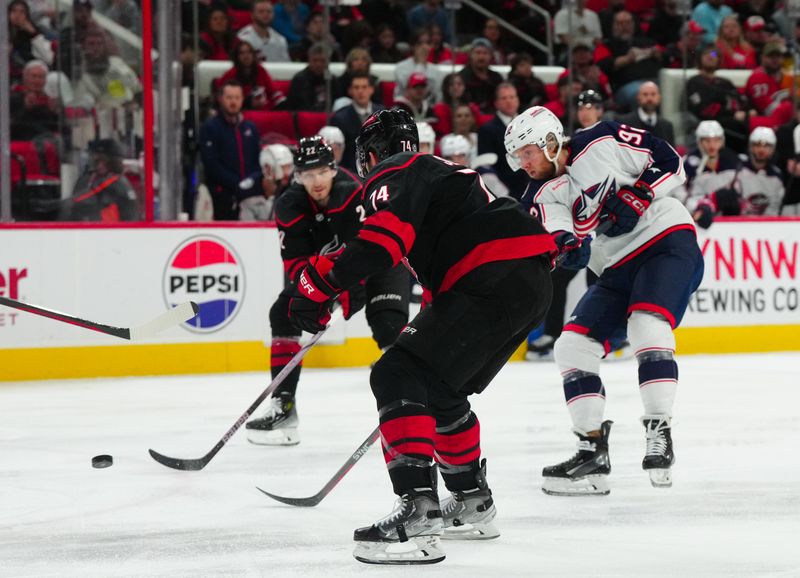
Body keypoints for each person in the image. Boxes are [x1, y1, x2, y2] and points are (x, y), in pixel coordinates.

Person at [286, 109, 555, 564]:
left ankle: (418, 515)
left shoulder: (397, 170)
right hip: (527, 281)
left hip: (490, 273)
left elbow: (379, 245)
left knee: (395, 372)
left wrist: (316, 285)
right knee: (439, 389)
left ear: (372, 154)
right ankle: (473, 501)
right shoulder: (440, 173)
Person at [505, 106, 704, 495]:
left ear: (549, 142)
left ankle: (659, 431)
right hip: (615, 265)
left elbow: (669, 160)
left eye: (527, 151)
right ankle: (591, 451)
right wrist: (567, 249)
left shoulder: (601, 139)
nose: (522, 162)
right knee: (572, 346)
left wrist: (641, 192)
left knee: (645, 322)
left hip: (666, 238)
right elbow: (561, 234)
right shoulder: (538, 196)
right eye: (517, 155)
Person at [245, 136, 410, 445]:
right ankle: (284, 406)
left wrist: (349, 288)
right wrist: (318, 294)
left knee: (388, 325)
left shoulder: (354, 194)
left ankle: (410, 407)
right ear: (297, 176)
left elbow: (366, 252)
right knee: (283, 313)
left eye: (322, 171)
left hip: (382, 261)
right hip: (334, 272)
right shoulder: (288, 205)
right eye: (308, 174)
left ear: (333, 169)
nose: (316, 180)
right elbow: (295, 264)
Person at [199, 80, 263, 220]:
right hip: (221, 196)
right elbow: (211, 164)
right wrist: (236, 183)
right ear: (221, 99)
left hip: (249, 195)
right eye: (229, 98)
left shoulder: (250, 128)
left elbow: (257, 160)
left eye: (237, 98)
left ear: (242, 99)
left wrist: (251, 181)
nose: (233, 102)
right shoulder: (210, 128)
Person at [679, 120, 743, 228]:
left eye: (716, 140)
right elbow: (680, 196)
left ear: (722, 141)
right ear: (699, 141)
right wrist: (700, 206)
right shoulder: (687, 164)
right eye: (707, 141)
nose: (712, 145)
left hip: (727, 222)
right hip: (696, 219)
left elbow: (739, 193)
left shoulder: (732, 161)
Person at [686, 46, 750, 153]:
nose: (710, 57)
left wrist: (745, 111)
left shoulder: (725, 82)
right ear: (699, 58)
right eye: (706, 54)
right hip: (710, 125)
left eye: (714, 54)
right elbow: (702, 109)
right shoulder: (694, 82)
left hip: (735, 122)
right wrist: (732, 113)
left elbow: (740, 101)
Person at [62, 139, 139, 222]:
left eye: (103, 161)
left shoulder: (118, 184)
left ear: (114, 163)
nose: (99, 166)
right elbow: (72, 209)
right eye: (96, 161)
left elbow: (130, 220)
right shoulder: (85, 179)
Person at [477, 83, 528, 199]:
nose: (509, 101)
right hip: (504, 193)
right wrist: (504, 196)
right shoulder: (487, 130)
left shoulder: (528, 125)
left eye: (512, 97)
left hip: (530, 188)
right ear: (496, 103)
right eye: (504, 98)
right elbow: (486, 167)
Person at [330, 73, 384, 171]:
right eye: (356, 87)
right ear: (350, 91)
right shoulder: (339, 118)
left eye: (364, 87)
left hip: (380, 169)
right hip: (352, 172)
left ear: (371, 89)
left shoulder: (383, 113)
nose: (360, 91)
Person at [217, 40, 286, 111]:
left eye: (249, 52)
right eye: (242, 53)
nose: (246, 56)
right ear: (237, 56)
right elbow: (221, 96)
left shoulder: (260, 70)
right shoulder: (231, 73)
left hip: (265, 110)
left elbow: (273, 90)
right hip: (241, 111)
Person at [739, 127, 785, 215]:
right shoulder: (738, 170)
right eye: (757, 145)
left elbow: (775, 207)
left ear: (773, 149)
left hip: (766, 225)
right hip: (739, 223)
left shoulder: (776, 176)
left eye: (766, 146)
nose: (761, 150)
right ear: (751, 147)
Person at [615, 81, 676, 145]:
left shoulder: (667, 126)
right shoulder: (624, 123)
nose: (649, 98)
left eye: (653, 94)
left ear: (659, 98)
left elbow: (671, 153)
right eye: (645, 94)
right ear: (638, 97)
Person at [458, 38, 504, 114]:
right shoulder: (461, 77)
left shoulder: (496, 78)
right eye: (478, 53)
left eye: (485, 53)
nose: (481, 57)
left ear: (490, 56)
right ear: (471, 55)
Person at [285, 43, 329, 111]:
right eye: (315, 60)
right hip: (306, 117)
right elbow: (298, 106)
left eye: (322, 61)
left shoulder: (330, 79)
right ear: (309, 60)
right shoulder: (300, 79)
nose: (318, 64)